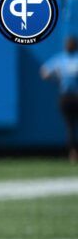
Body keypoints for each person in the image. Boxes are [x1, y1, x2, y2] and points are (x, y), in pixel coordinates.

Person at [41, 36, 78, 164]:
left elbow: (44, 72)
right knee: (70, 126)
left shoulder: (61, 59)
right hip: (68, 97)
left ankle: (73, 153)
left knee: (70, 126)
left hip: (68, 96)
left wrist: (58, 78)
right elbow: (45, 72)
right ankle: (73, 153)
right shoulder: (61, 59)